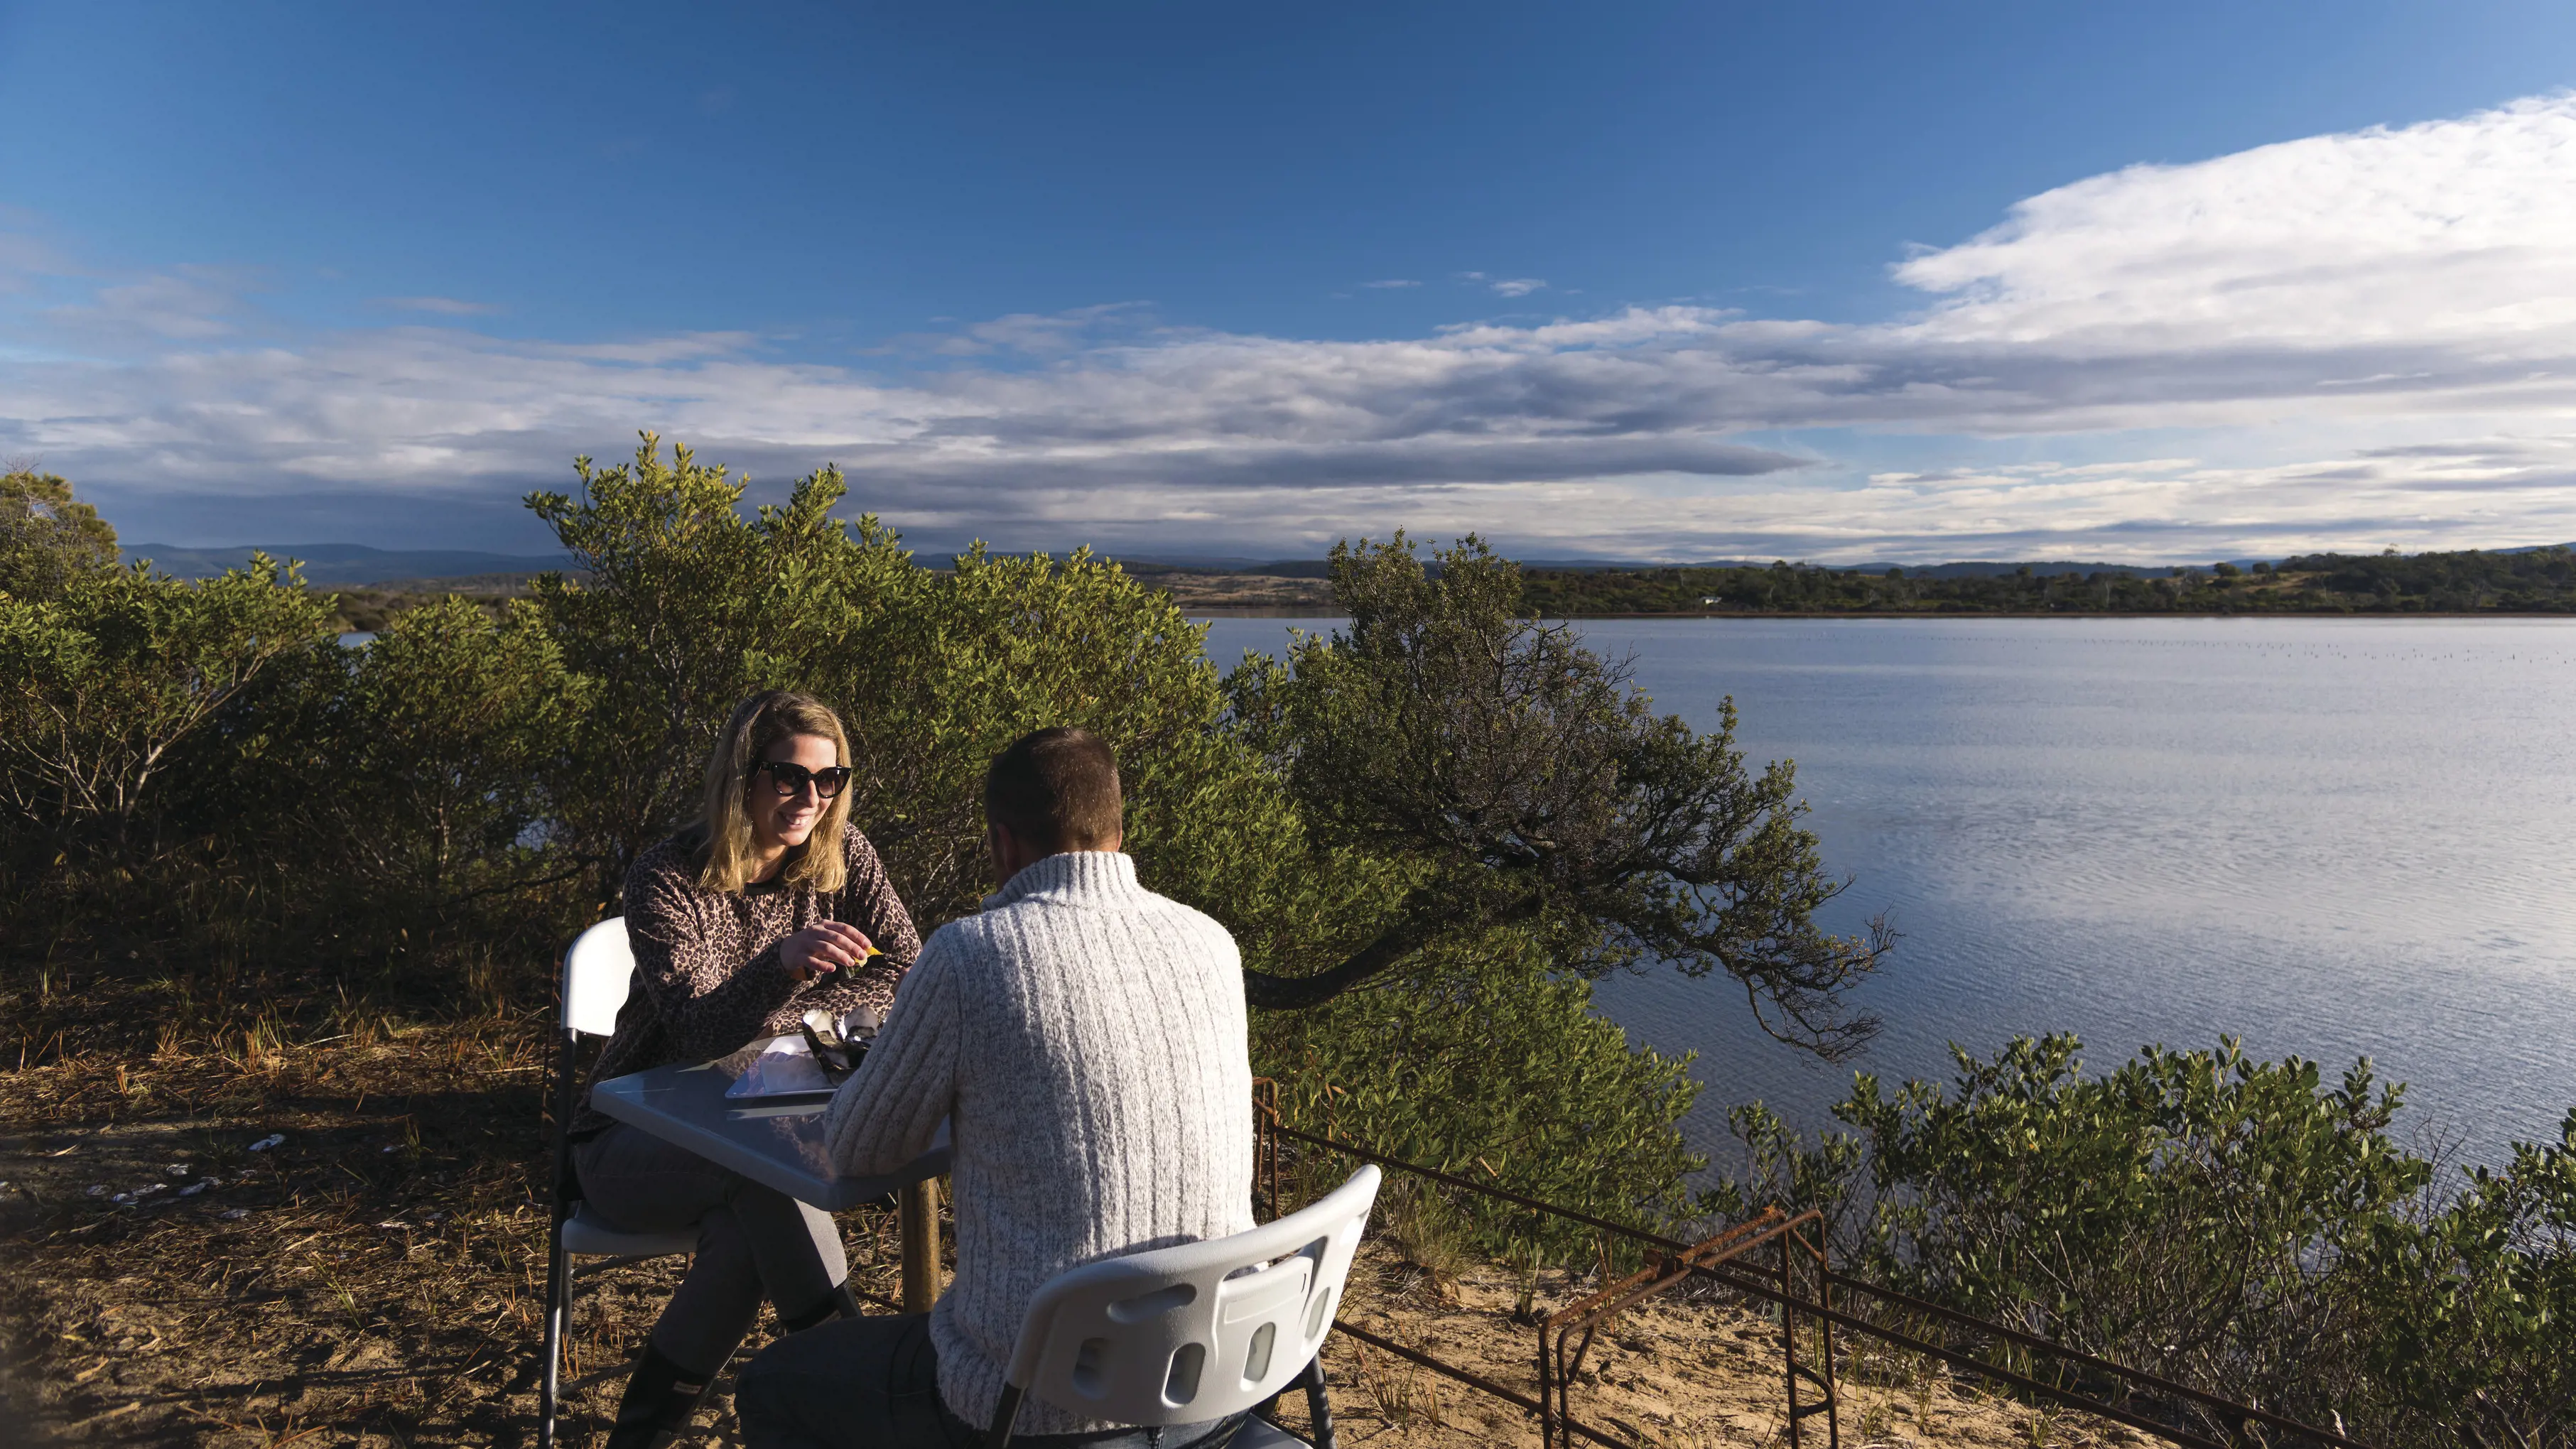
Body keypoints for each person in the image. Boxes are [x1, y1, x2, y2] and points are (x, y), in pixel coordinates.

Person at [736, 727, 1255, 1449]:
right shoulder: (1209, 942)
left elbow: (854, 1151)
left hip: (1036, 1401)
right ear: (1118, 828)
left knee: (773, 1385)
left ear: (1001, 845)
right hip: (1207, 1375)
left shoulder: (970, 954)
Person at [572, 690, 923, 1449]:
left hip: (761, 1116)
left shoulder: (843, 853)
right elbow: (695, 1028)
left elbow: (904, 967)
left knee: (746, 1239)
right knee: (768, 1179)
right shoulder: (667, 876)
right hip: (627, 1139)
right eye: (789, 777)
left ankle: (638, 1437)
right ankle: (855, 1393)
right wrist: (783, 969)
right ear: (742, 776)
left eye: (829, 780)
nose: (811, 798)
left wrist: (803, 1022)